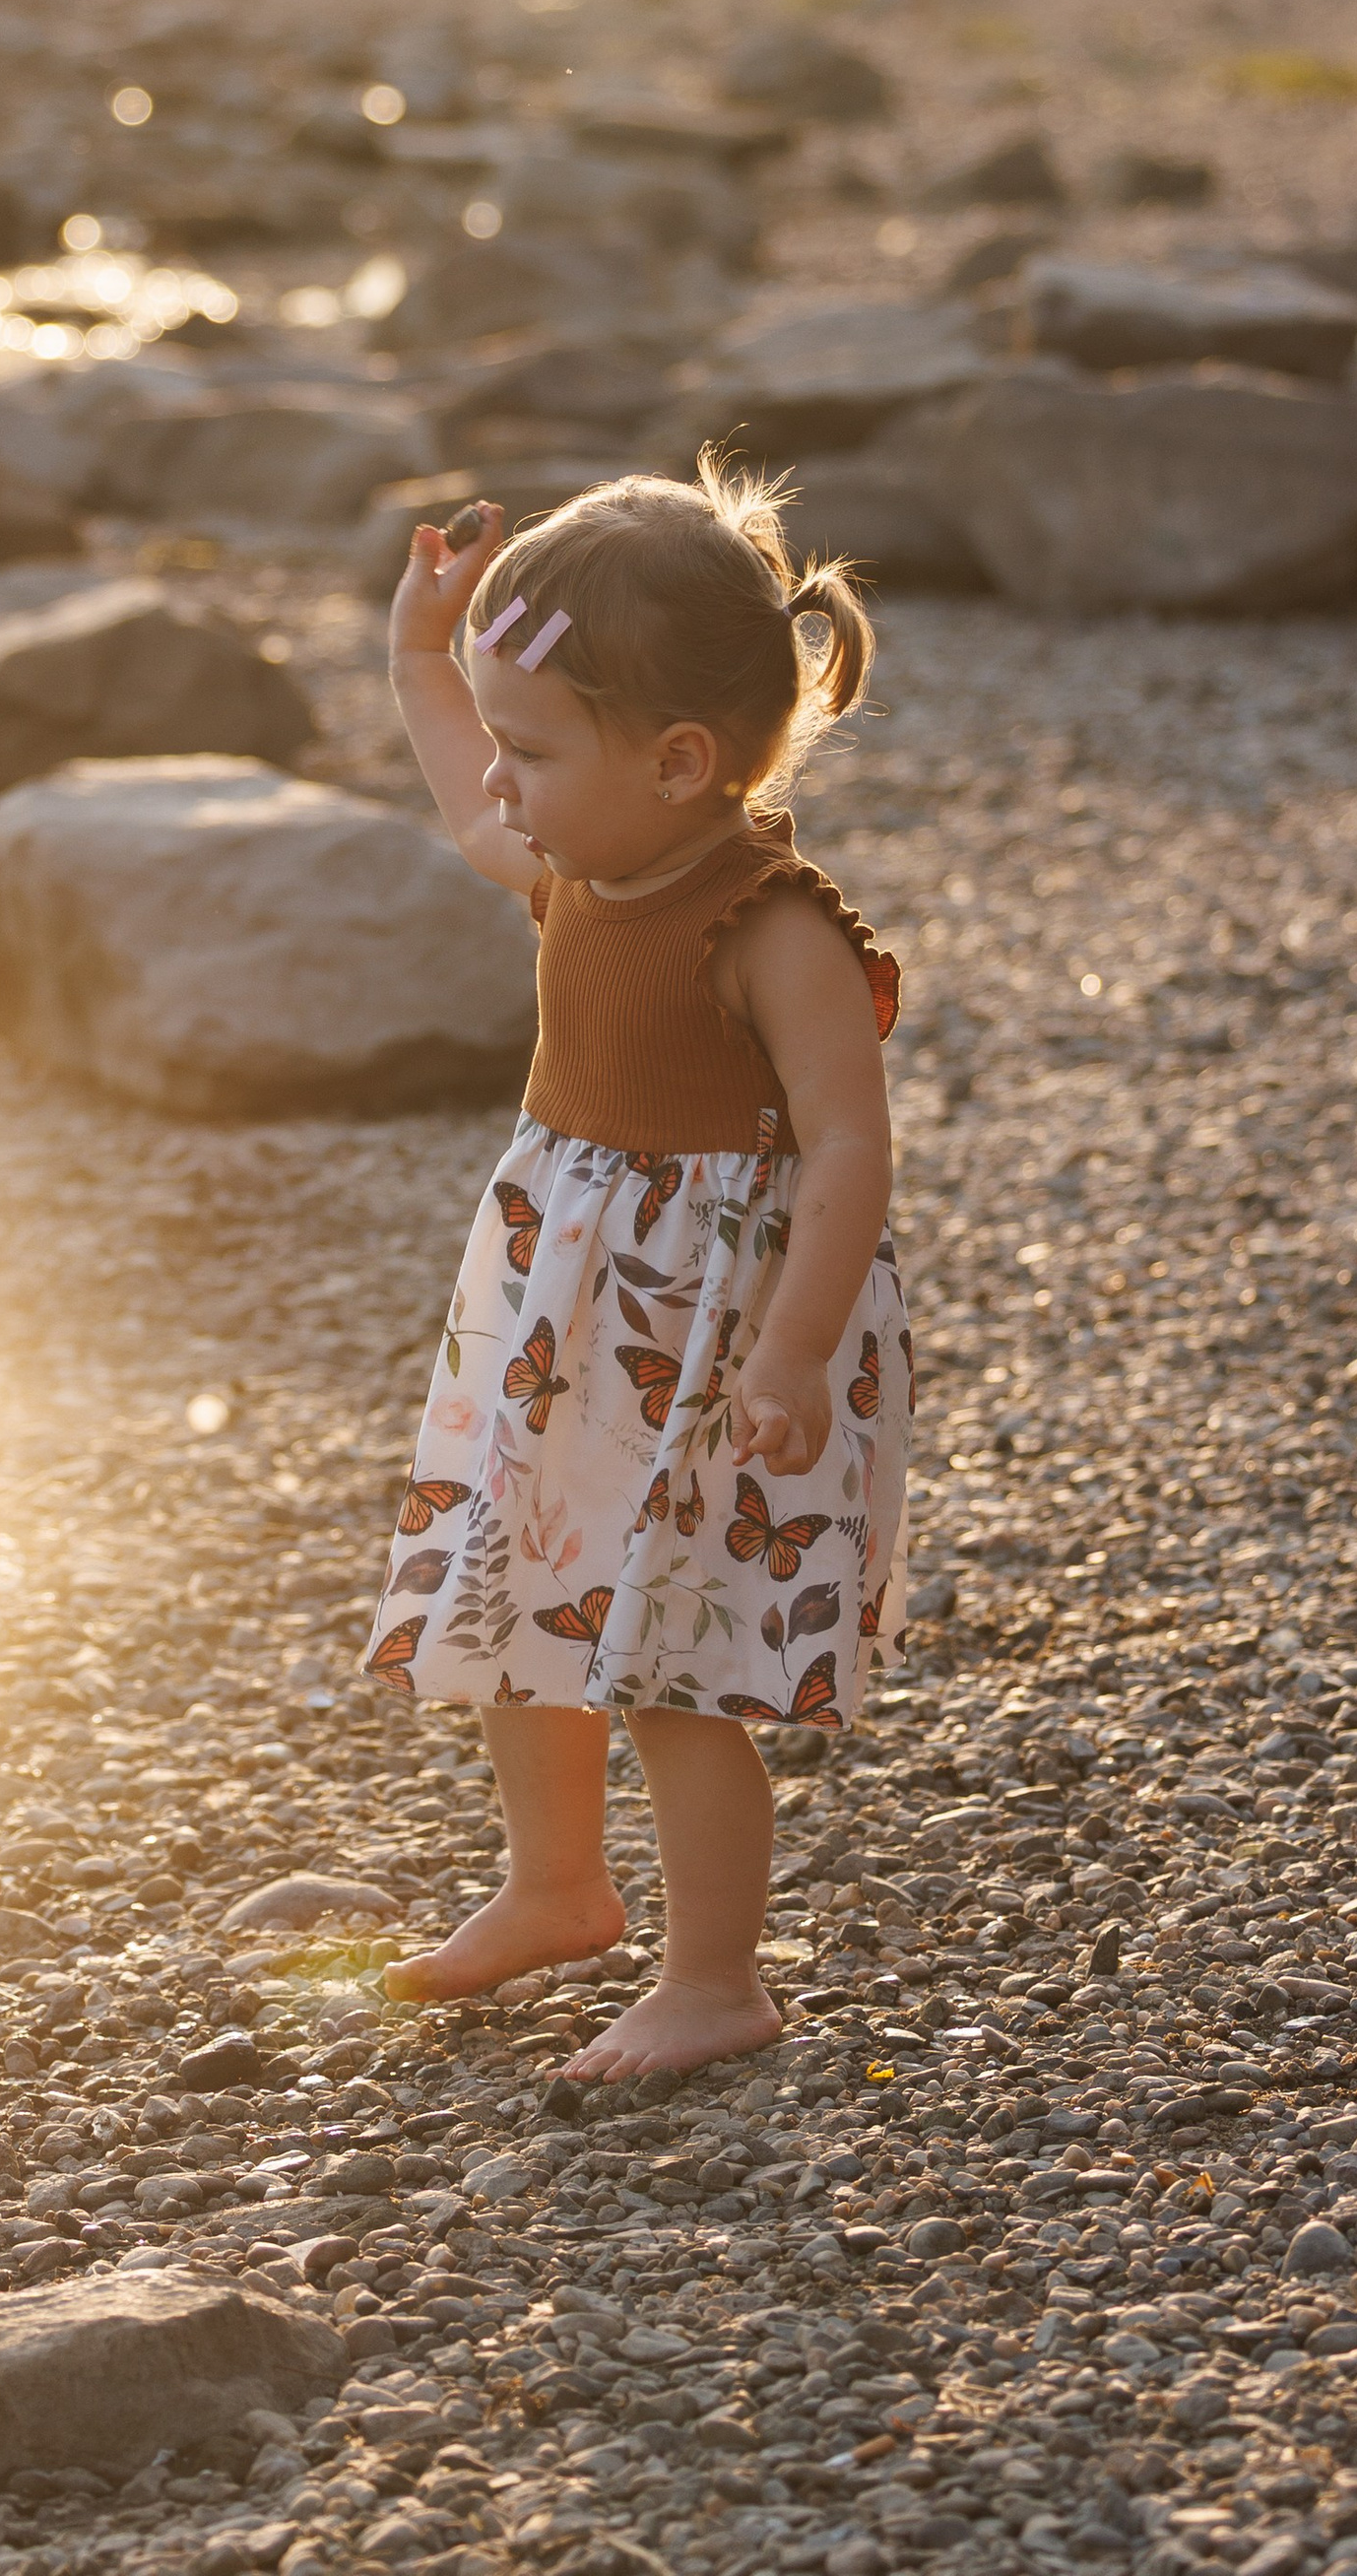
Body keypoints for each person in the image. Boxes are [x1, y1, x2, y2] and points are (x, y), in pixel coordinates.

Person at [368, 463, 909, 2082]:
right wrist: (418, 659)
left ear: (680, 764)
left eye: (533, 749)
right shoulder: (576, 861)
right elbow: (470, 800)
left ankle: (715, 1975)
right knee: (522, 1592)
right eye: (503, 743)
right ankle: (556, 1886)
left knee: (672, 1654)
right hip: (564, 1299)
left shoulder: (767, 922)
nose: (505, 789)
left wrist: (797, 1356)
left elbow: (847, 1150)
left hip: (727, 1329)